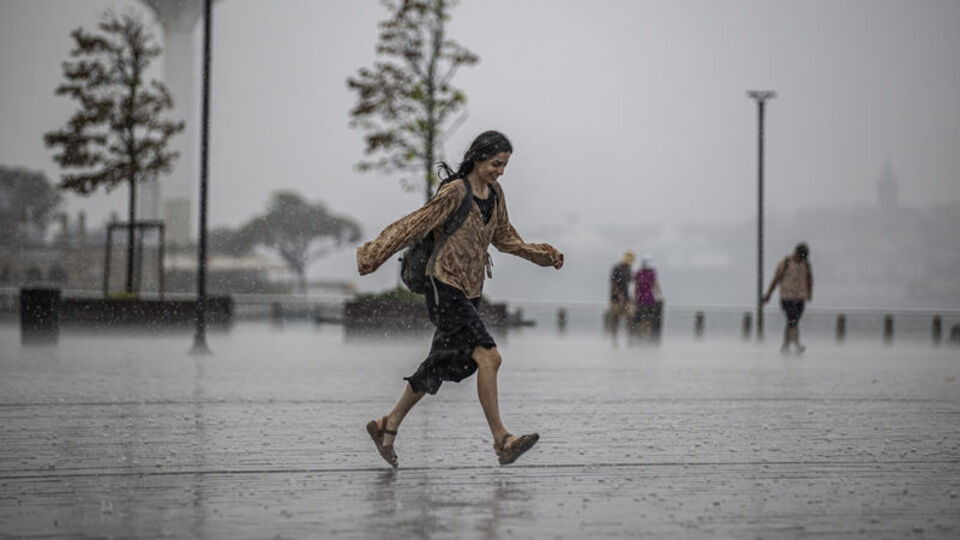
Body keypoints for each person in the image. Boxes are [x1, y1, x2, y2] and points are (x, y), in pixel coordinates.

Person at [356, 131, 564, 467]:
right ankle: (502, 439)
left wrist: (541, 254)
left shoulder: (495, 194)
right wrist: (373, 255)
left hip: (470, 291)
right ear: (479, 158)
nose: (500, 171)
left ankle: (386, 426)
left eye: (505, 165)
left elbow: (505, 237)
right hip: (444, 286)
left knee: (437, 364)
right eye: (496, 163)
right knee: (490, 358)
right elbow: (414, 225)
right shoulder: (455, 192)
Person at [763, 242, 814, 353]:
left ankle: (787, 343)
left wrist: (809, 293)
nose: (801, 259)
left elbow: (810, 279)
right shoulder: (785, 263)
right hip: (787, 297)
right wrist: (768, 295)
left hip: (800, 297)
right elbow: (776, 279)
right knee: (793, 319)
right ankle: (795, 344)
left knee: (793, 321)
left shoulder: (806, 264)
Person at [633, 255, 663, 339]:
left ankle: (646, 337)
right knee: (640, 320)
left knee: (648, 320)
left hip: (650, 300)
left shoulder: (652, 272)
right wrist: (634, 297)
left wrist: (660, 295)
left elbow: (656, 284)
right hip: (640, 300)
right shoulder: (639, 273)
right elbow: (636, 286)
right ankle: (641, 336)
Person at [608, 250, 635, 338]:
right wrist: (619, 294)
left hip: (626, 297)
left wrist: (631, 295)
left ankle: (629, 336)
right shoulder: (616, 268)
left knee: (630, 316)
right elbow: (612, 283)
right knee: (615, 317)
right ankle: (614, 337)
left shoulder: (629, 270)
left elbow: (631, 282)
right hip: (615, 298)